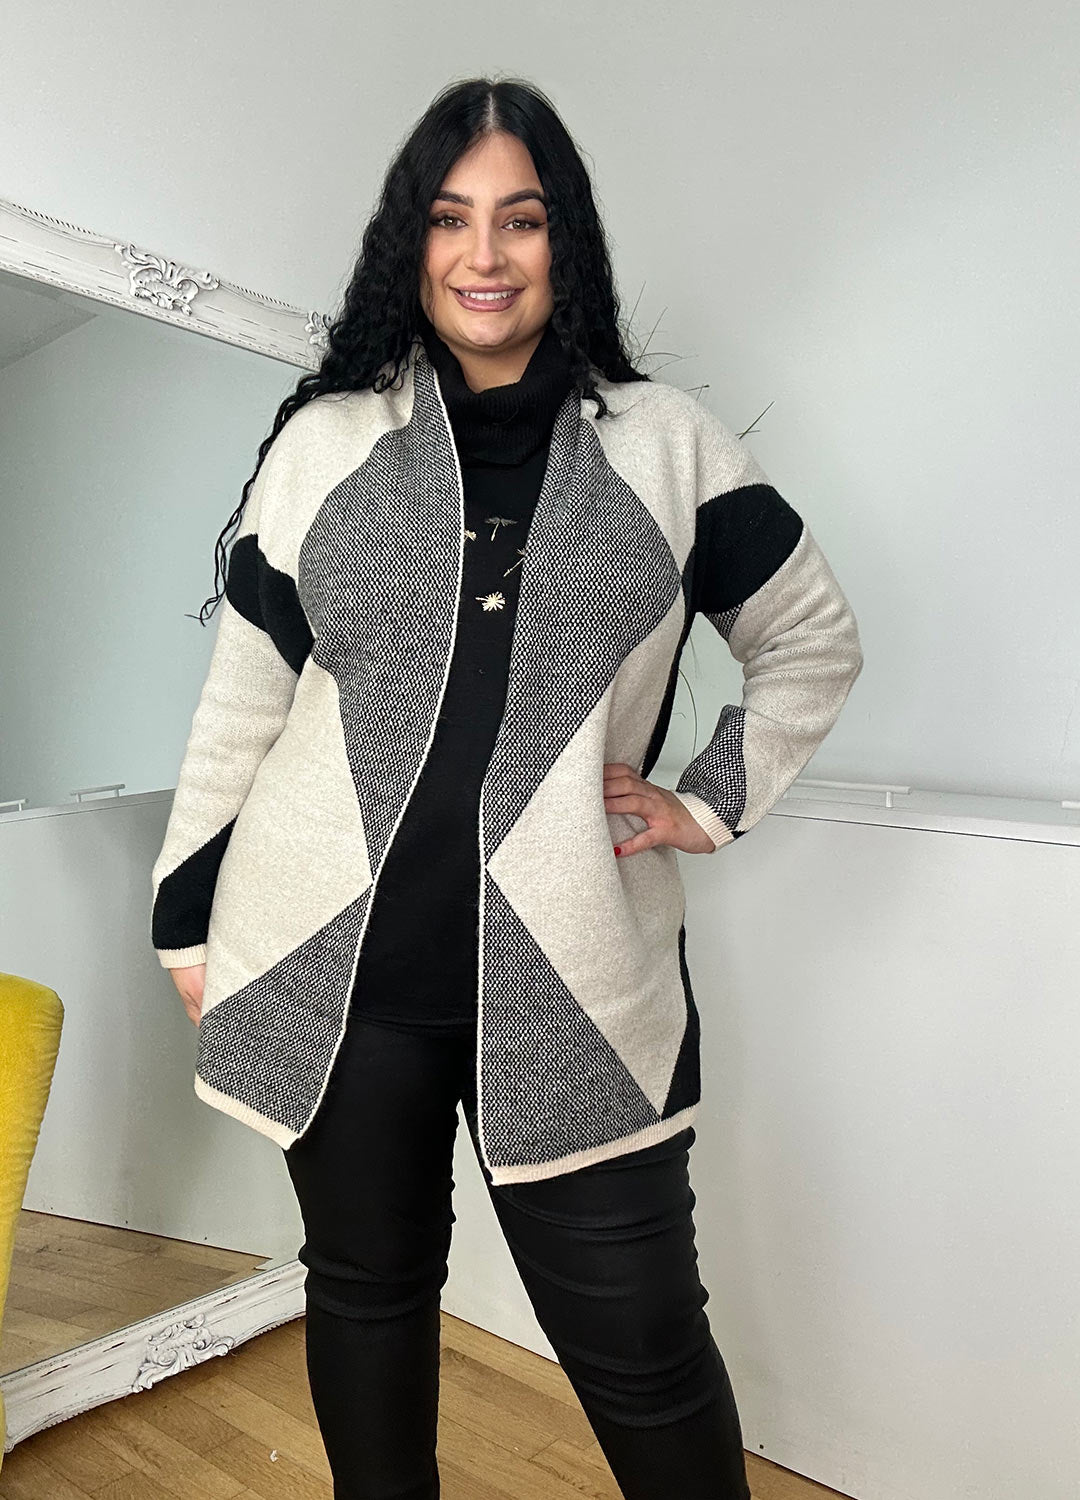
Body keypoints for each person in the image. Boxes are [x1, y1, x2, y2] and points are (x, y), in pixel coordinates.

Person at [151, 75, 863, 1500]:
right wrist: (187, 922)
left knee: (647, 1350)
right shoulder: (329, 444)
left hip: (575, 989)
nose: (485, 255)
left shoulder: (668, 444)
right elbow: (244, 704)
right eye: (451, 217)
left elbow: (809, 641)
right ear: (410, 243)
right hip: (333, 971)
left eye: (521, 221)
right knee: (365, 1297)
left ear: (565, 245)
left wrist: (706, 798)